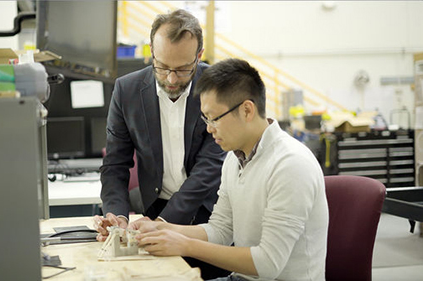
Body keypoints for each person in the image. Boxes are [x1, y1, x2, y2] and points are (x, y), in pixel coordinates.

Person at [130, 58, 329, 281]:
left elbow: (269, 263)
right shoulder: (234, 159)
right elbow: (221, 230)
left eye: (214, 118)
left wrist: (185, 245)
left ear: (246, 110)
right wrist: (163, 230)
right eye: (206, 118)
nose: (209, 128)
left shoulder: (290, 165)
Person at [95, 8, 229, 279]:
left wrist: (166, 224)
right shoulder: (127, 90)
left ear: (198, 56)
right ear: (152, 52)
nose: (171, 79)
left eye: (182, 69)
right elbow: (115, 164)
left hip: (210, 217)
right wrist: (117, 217)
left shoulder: (218, 88)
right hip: (154, 211)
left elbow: (209, 168)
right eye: (163, 67)